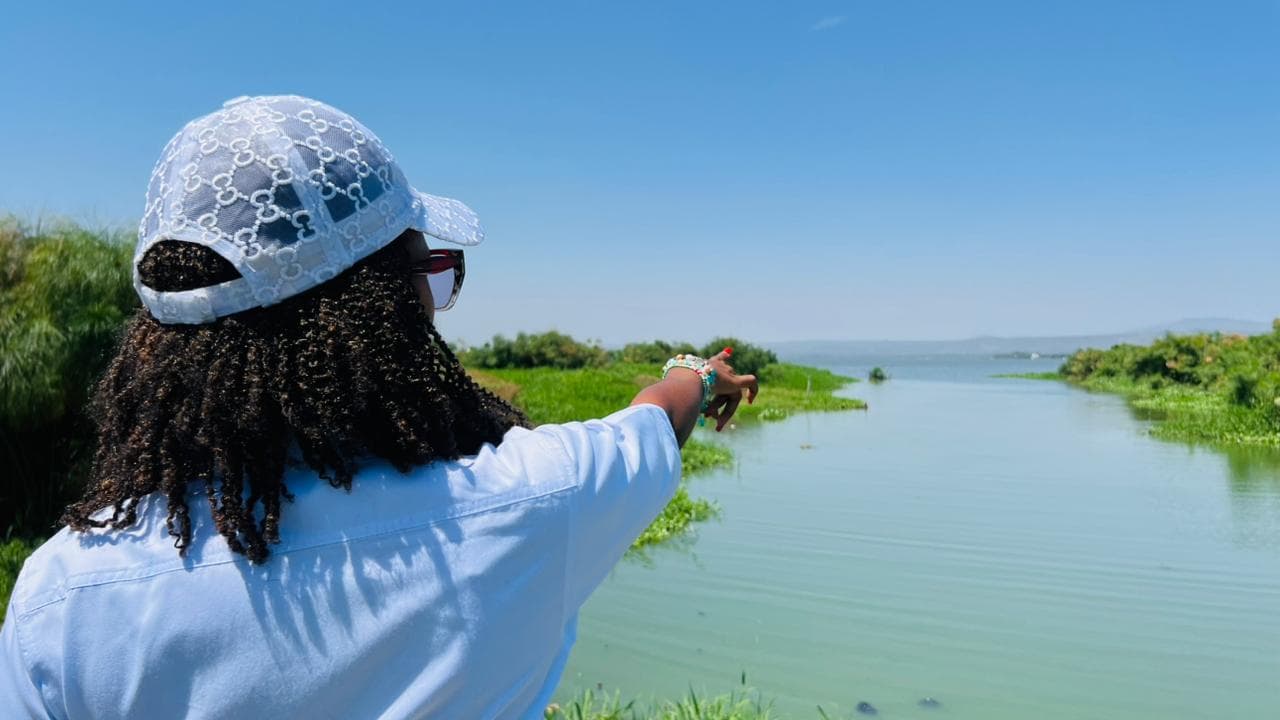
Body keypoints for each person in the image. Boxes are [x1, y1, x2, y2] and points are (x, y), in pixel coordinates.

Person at [0, 95, 758, 719]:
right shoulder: (534, 502)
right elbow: (660, 414)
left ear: (160, 349)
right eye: (426, 274)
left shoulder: (62, 599)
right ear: (390, 307)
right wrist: (701, 370)